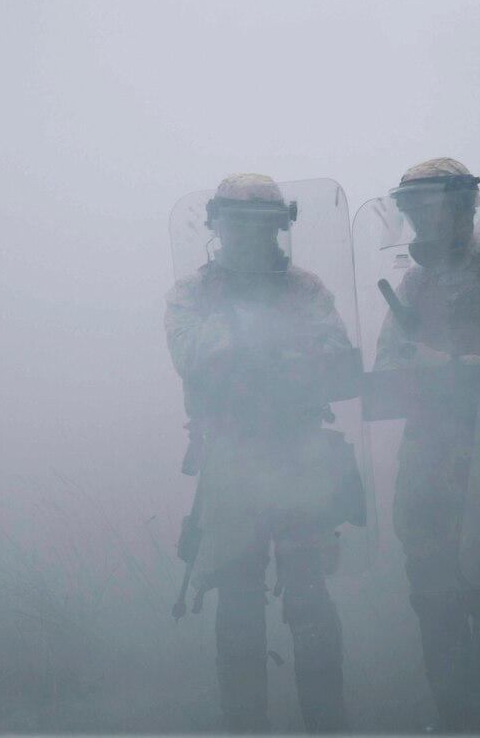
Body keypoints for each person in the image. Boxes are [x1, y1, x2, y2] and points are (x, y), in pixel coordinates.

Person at [165, 173, 361, 733]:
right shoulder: (192, 293)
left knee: (309, 597)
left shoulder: (305, 289)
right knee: (238, 599)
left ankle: (329, 726)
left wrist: (254, 347)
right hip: (231, 457)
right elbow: (190, 356)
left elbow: (336, 357)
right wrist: (261, 339)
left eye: (262, 225)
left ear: (280, 227)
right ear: (217, 226)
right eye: (237, 224)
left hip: (300, 452)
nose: (250, 237)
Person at [372, 157, 480, 731]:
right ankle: (453, 719)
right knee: (432, 596)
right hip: (428, 455)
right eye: (411, 210)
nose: (419, 221)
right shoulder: (414, 281)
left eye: (430, 207)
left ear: (462, 207)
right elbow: (389, 361)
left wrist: (442, 366)